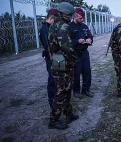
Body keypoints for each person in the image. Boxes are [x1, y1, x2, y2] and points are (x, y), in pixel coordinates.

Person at [47, 2, 79, 130]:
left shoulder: (53, 25)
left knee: (66, 89)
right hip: (63, 62)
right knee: (62, 91)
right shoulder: (63, 27)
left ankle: (68, 114)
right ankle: (53, 121)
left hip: (56, 60)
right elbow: (68, 48)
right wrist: (73, 61)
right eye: (69, 14)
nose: (69, 16)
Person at [69, 8, 93, 99]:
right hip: (75, 53)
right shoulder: (69, 27)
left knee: (87, 71)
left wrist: (89, 39)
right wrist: (77, 41)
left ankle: (86, 89)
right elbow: (67, 41)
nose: (82, 19)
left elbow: (90, 35)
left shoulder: (84, 26)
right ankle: (76, 91)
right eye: (80, 18)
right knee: (76, 72)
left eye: (82, 18)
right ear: (75, 16)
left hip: (84, 52)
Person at [39, 8, 58, 109]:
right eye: (55, 20)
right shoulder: (45, 29)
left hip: (55, 57)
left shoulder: (48, 27)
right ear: (51, 18)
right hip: (51, 58)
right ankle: (52, 103)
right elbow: (48, 46)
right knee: (52, 80)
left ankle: (56, 100)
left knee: (55, 80)